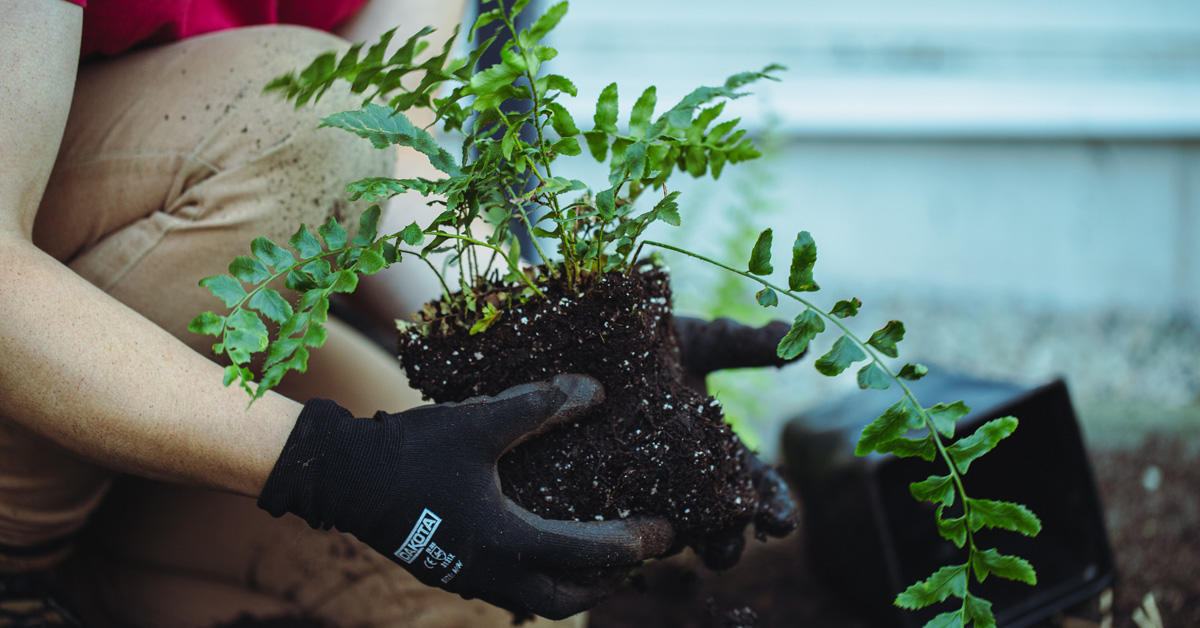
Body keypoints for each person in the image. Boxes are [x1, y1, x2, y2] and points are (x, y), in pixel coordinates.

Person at [0, 1, 797, 626]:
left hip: (159, 314)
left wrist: (575, 347)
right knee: (301, 116)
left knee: (487, 589)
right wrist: (343, 470)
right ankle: (17, 576)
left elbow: (392, 164)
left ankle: (90, 575)